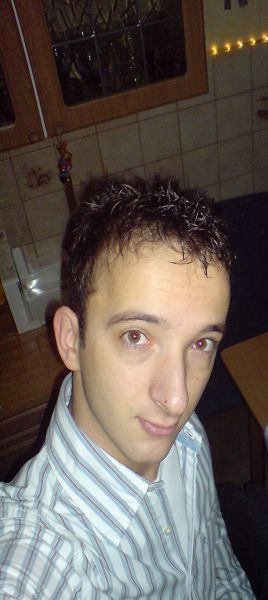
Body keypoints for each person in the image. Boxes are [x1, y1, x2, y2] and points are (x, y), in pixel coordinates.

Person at [0, 178, 254, 599]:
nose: (177, 399)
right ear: (70, 340)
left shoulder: (187, 440)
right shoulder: (44, 549)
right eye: (136, 336)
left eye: (200, 344)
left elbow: (220, 569)